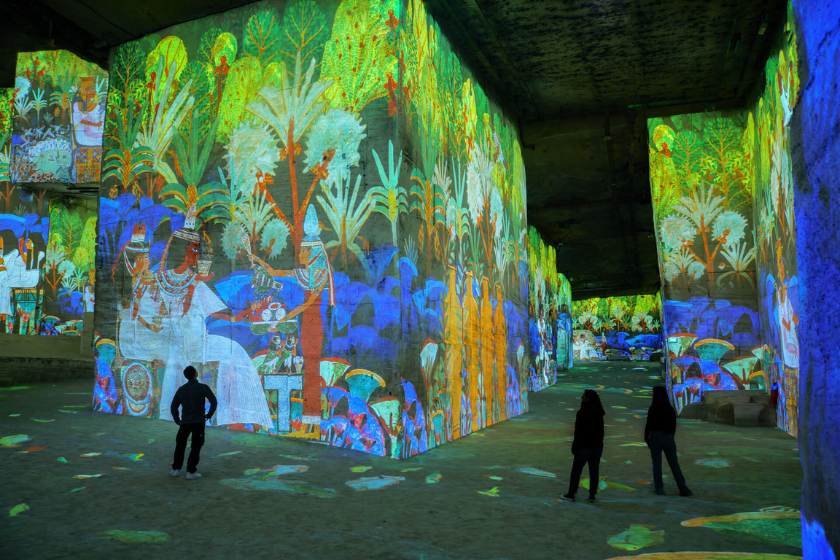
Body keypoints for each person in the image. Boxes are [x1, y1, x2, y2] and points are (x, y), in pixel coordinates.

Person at [170, 366, 217, 480]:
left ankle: (176, 469)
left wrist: (177, 419)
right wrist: (209, 415)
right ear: (196, 374)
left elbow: (173, 406)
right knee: (196, 446)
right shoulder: (203, 388)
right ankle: (191, 471)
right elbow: (214, 402)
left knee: (180, 445)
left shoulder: (182, 389)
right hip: (199, 422)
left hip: (185, 422)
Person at [645, 386, 692, 496]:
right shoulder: (670, 409)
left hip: (656, 437)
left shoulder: (653, 409)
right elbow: (673, 425)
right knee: (674, 463)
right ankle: (683, 488)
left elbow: (649, 425)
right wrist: (670, 436)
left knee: (657, 464)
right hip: (668, 437)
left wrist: (647, 439)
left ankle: (659, 489)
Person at [560, 389, 605, 502]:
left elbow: (578, 432)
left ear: (588, 398)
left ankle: (571, 493)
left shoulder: (582, 412)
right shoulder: (599, 413)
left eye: (583, 396)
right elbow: (601, 431)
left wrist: (575, 446)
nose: (581, 397)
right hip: (597, 447)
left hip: (584, 447)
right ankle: (592, 495)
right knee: (594, 471)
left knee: (576, 471)